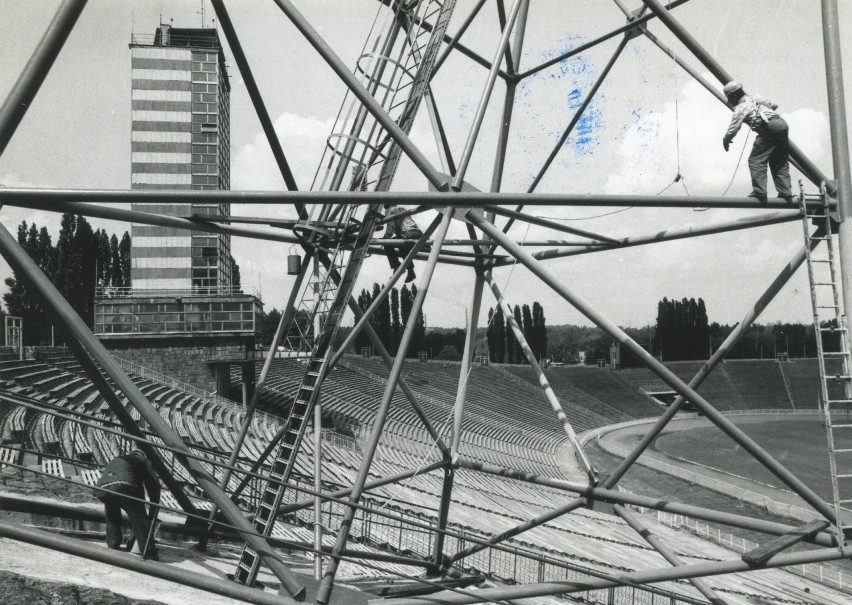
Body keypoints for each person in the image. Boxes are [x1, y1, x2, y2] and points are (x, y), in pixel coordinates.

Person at [721, 81, 794, 204]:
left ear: (734, 96)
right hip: (782, 125)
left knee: (756, 160)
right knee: (779, 160)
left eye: (729, 98)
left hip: (769, 128)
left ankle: (759, 193)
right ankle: (785, 192)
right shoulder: (757, 97)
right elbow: (774, 105)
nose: (729, 102)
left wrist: (726, 140)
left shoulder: (741, 108)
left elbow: (733, 128)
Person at [95, 449, 161, 560]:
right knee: (140, 519)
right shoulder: (143, 460)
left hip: (101, 489)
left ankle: (113, 544)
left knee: (112, 515)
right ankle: (149, 553)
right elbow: (154, 485)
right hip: (124, 486)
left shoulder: (117, 460)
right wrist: (153, 511)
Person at [383, 205, 422, 283]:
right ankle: (411, 271)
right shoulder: (401, 208)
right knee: (401, 245)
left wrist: (384, 238)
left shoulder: (390, 211)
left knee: (387, 244)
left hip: (408, 234)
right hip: (418, 233)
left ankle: (396, 266)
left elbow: (390, 228)